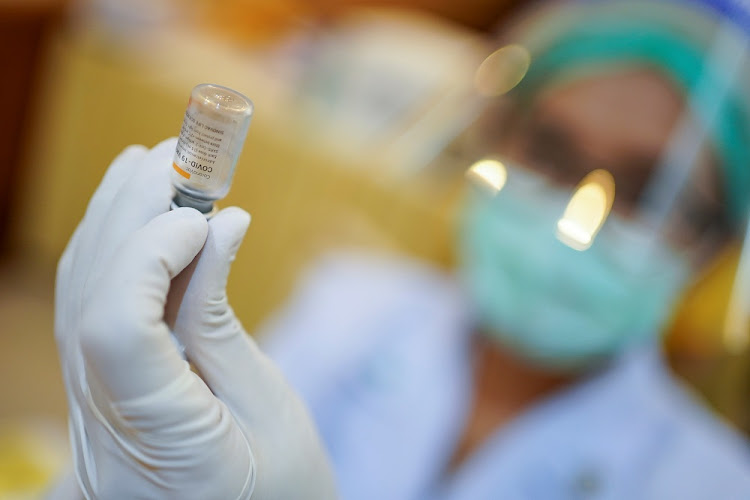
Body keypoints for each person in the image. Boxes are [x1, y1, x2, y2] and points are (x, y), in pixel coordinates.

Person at [50, 0, 750, 498]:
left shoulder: (711, 480)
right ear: (497, 136)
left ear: (715, 244)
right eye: (550, 149)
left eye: (644, 190)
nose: (578, 212)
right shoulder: (350, 306)